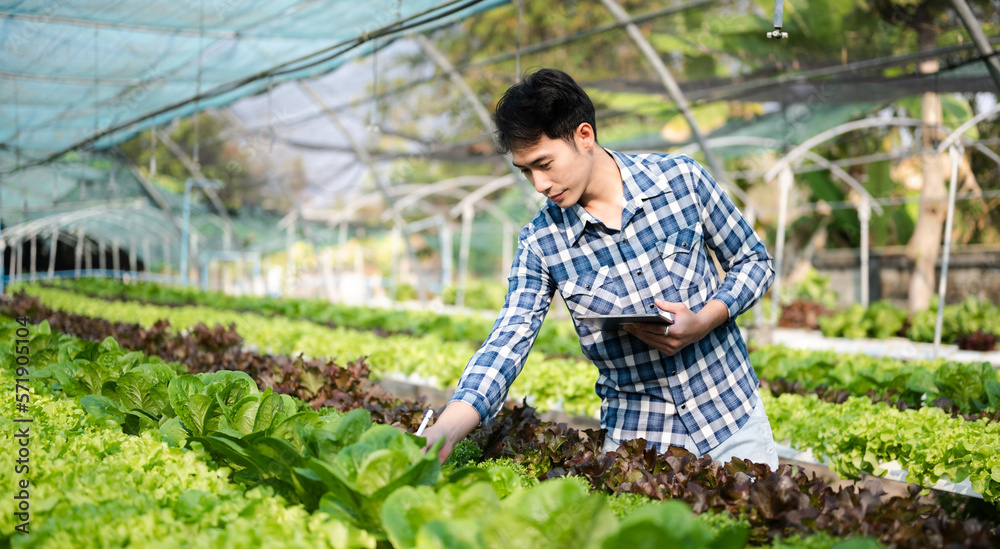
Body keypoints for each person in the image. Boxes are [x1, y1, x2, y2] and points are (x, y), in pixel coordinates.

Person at [421, 68, 778, 469]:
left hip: (732, 420)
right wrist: (447, 428)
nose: (539, 184)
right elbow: (508, 339)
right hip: (639, 448)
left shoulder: (682, 181)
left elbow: (754, 262)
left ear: (584, 137)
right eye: (526, 171)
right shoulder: (542, 242)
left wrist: (706, 319)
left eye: (544, 163)